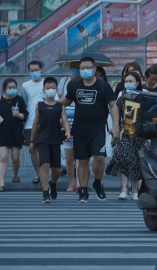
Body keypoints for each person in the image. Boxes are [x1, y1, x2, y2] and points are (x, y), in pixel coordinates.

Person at [59, 56, 119, 203]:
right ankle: (83, 191)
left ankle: (97, 183)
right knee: (82, 160)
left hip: (98, 129)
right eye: (82, 68)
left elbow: (113, 105)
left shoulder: (103, 85)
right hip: (79, 130)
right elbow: (66, 101)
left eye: (87, 68)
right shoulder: (75, 84)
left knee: (99, 158)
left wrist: (115, 126)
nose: (84, 70)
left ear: (94, 69)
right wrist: (48, 103)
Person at [106, 71, 146, 201]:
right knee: (123, 159)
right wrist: (115, 131)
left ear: (138, 83)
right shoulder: (121, 97)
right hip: (125, 132)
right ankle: (123, 189)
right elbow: (116, 115)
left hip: (138, 133)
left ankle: (135, 190)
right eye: (126, 81)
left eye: (131, 81)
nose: (128, 84)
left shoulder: (143, 97)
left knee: (136, 161)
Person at [30, 77, 70, 203]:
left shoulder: (60, 106)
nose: (50, 90)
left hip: (56, 139)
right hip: (42, 139)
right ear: (43, 90)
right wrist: (32, 141)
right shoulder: (40, 106)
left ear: (57, 90)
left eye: (53, 88)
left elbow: (65, 120)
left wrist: (68, 131)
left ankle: (53, 183)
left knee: (57, 169)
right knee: (45, 165)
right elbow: (35, 124)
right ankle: (45, 192)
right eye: (48, 88)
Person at [0, 78, 28, 192]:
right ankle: (2, 183)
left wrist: (20, 115)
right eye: (10, 87)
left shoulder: (19, 100)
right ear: (4, 88)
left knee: (15, 157)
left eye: (14, 87)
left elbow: (25, 114)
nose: (12, 90)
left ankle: (15, 175)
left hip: (16, 131)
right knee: (3, 157)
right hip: (2, 132)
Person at [22, 60, 51, 185]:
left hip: (46, 122)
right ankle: (39, 174)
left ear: (41, 69)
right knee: (33, 149)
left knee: (46, 149)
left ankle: (46, 174)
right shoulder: (25, 86)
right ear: (29, 71)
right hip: (30, 122)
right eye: (32, 70)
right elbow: (24, 102)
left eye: (36, 70)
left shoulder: (47, 84)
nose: (34, 72)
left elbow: (55, 100)